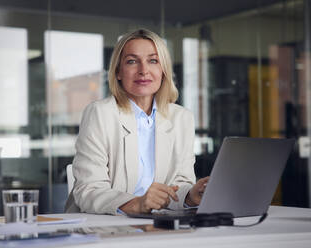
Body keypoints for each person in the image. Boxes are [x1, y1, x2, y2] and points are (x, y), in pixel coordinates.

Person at [65, 28, 209, 215]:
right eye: (132, 61)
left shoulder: (182, 118)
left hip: (155, 226)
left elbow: (178, 186)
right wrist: (137, 204)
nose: (143, 70)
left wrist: (191, 195)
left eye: (153, 61)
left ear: (163, 70)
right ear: (118, 72)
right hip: (102, 226)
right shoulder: (100, 113)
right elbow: (89, 191)